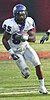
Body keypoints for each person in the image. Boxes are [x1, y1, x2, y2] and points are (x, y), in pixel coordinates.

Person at [2, 4, 47, 94]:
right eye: (19, 15)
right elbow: (4, 39)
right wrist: (11, 53)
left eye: (23, 14)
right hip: (15, 51)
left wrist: (24, 37)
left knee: (38, 64)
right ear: (15, 15)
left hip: (25, 47)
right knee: (27, 73)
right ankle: (24, 72)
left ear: (26, 13)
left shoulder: (29, 21)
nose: (21, 16)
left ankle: (42, 87)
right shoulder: (10, 24)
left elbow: (33, 38)